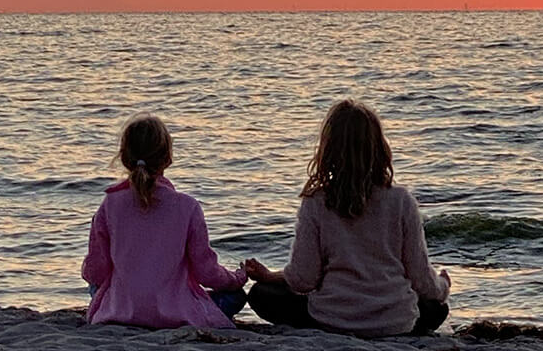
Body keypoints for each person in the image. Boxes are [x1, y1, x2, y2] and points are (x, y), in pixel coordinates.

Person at [243, 99, 451, 337]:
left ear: (328, 149)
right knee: (436, 307)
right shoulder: (401, 200)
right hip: (394, 321)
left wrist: (271, 276)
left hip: (332, 319)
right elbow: (421, 279)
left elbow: (304, 280)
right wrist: (443, 286)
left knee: (261, 294)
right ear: (379, 148)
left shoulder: (316, 202)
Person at [82, 114, 247, 329]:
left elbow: (95, 272)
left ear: (124, 158)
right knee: (236, 296)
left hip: (121, 311)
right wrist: (237, 277)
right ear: (168, 158)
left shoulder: (110, 204)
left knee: (98, 289)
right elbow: (207, 273)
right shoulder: (187, 207)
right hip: (175, 314)